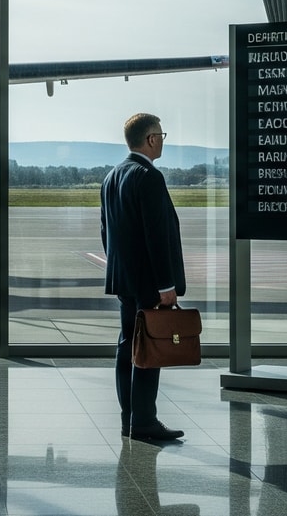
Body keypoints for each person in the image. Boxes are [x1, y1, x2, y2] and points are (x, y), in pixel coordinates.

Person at [100, 113, 187, 443]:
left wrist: (121, 269)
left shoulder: (112, 176)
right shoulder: (148, 176)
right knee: (149, 350)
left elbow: (107, 234)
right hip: (150, 282)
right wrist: (166, 285)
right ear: (151, 139)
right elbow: (157, 236)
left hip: (124, 279)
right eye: (161, 135)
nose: (163, 140)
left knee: (127, 346)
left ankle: (129, 418)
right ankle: (146, 421)